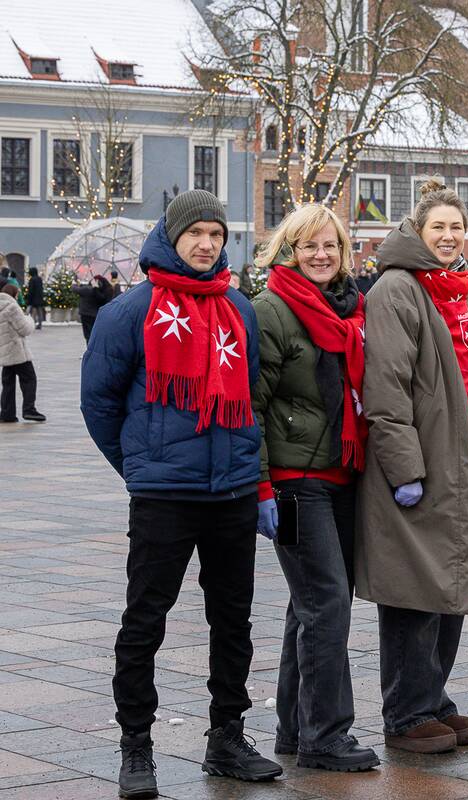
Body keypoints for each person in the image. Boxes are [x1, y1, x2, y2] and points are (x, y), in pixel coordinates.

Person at [80, 190, 282, 799]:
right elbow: (98, 401)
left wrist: (250, 473)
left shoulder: (238, 308)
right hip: (165, 496)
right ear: (171, 236)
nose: (206, 244)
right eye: (195, 233)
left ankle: (227, 737)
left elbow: (251, 391)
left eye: (215, 235)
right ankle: (136, 745)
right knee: (145, 619)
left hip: (232, 492)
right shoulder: (130, 312)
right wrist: (140, 467)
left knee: (234, 620)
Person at [357, 180, 468, 754]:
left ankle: (432, 697)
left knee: (449, 581)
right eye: (438, 227)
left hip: (456, 457)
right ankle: (406, 712)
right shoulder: (398, 288)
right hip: (420, 461)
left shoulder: (453, 289)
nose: (449, 236)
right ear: (418, 231)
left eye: (456, 227)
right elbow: (386, 388)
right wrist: (405, 470)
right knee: (413, 587)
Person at [250, 204, 379, 772]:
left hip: (342, 472)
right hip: (295, 481)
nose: (321, 255)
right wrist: (260, 486)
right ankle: (326, 735)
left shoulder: (350, 308)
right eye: (309, 246)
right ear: (290, 250)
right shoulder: (271, 309)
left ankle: (294, 727)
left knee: (311, 605)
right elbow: (251, 405)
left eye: (330, 245)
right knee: (326, 604)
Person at [0, 283, 44, 423]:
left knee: (8, 383)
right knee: (29, 379)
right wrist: (29, 319)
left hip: (4, 353)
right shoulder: (12, 307)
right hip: (17, 352)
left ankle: (7, 413)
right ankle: (29, 409)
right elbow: (24, 329)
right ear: (14, 294)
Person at [74, 274, 114, 342]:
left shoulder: (92, 290)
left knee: (89, 334)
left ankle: (91, 345)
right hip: (97, 314)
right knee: (94, 333)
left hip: (88, 314)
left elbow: (76, 289)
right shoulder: (106, 290)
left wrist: (74, 284)